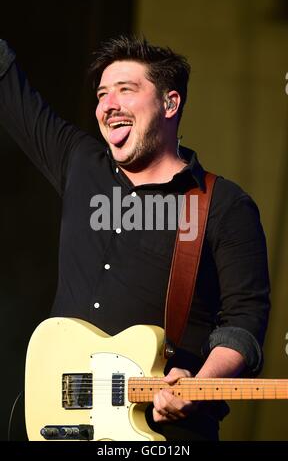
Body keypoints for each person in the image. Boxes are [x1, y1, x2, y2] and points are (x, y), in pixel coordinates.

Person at [0, 35, 270, 441]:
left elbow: (245, 320)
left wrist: (199, 384)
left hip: (163, 433)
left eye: (126, 90)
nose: (108, 105)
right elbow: (12, 94)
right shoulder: (80, 164)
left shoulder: (223, 205)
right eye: (103, 94)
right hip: (58, 422)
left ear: (170, 103)